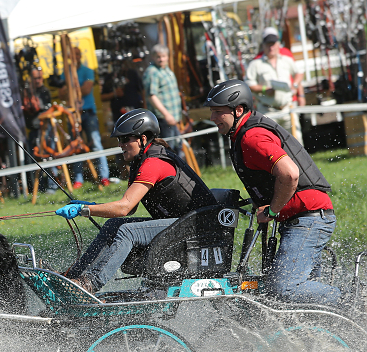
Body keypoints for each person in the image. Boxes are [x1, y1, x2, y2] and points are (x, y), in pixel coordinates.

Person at [205, 80, 339, 304]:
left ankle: (351, 303)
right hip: (306, 217)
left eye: (218, 112)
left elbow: (289, 175)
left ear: (238, 110)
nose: (212, 118)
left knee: (285, 287)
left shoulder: (252, 137)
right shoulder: (243, 133)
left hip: (309, 218)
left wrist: (273, 210)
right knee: (298, 301)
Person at [57, 109, 216, 294]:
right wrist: (89, 206)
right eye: (119, 140)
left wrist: (84, 210)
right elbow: (129, 208)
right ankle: (72, 277)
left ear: (142, 138)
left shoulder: (153, 163)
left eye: (125, 140)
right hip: (181, 222)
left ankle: (90, 283)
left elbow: (125, 207)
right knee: (113, 225)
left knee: (127, 232)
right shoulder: (141, 160)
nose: (120, 145)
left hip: (198, 226)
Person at [246, 29, 304, 141]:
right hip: (268, 112)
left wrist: (296, 86)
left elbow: (299, 72)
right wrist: (263, 89)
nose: (271, 47)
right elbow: (248, 84)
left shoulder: (286, 60)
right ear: (263, 46)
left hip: (287, 108)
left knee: (296, 143)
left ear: (278, 45)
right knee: (271, 145)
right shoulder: (255, 64)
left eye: (273, 44)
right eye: (268, 44)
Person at [68, 46, 110, 189]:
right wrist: (74, 87)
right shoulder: (66, 73)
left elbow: (86, 89)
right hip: (73, 114)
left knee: (96, 144)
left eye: (77, 55)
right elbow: (62, 93)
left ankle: (104, 176)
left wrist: (71, 86)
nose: (75, 58)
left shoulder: (87, 70)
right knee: (75, 147)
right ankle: (78, 179)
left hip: (88, 112)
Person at [142, 44, 184, 155]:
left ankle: (177, 172)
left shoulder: (166, 70)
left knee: (177, 147)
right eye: (158, 57)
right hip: (163, 118)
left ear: (168, 57)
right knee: (167, 150)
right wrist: (167, 115)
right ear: (153, 57)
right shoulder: (152, 72)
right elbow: (152, 96)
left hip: (172, 117)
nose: (161, 59)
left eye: (164, 56)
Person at [22, 66, 59, 192]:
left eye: (39, 77)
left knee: (48, 156)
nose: (38, 80)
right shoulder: (27, 92)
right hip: (33, 131)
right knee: (35, 159)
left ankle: (52, 186)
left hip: (45, 130)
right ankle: (40, 187)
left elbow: (41, 109)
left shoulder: (44, 91)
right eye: (35, 78)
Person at [100, 59, 145, 126]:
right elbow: (102, 97)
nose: (119, 65)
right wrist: (114, 94)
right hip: (119, 116)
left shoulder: (132, 74)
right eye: (116, 63)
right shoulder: (110, 77)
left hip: (135, 113)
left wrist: (144, 107)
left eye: (121, 62)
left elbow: (142, 91)